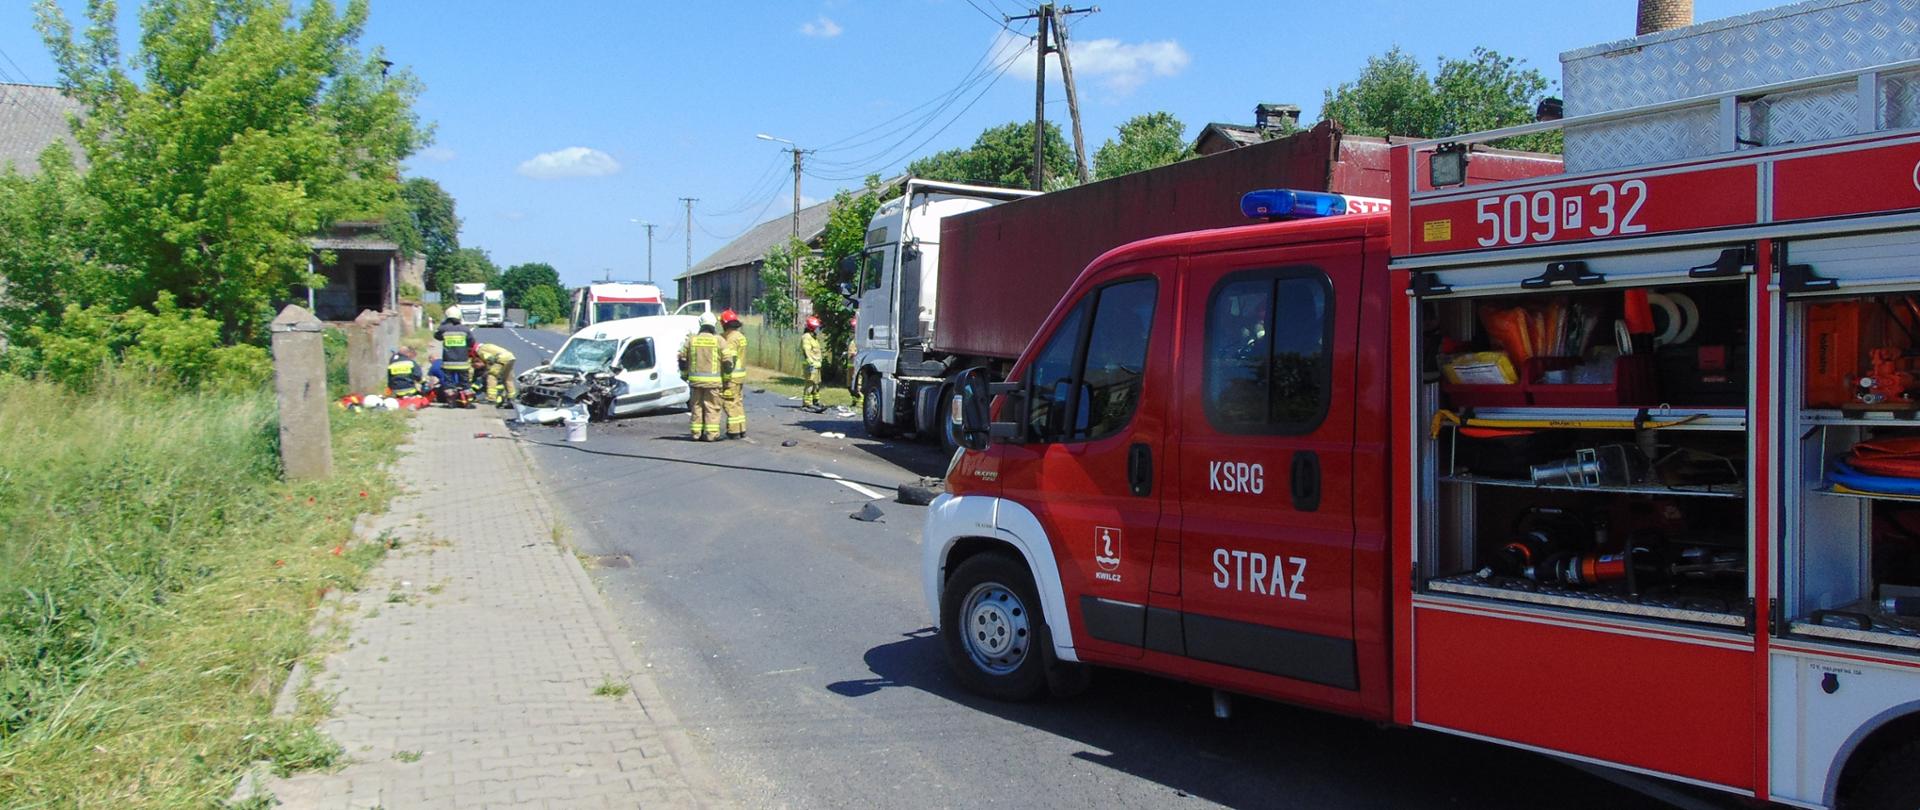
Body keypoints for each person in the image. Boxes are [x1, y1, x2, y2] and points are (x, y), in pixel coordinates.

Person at [677, 312, 735, 441]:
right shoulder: (719, 340)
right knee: (712, 408)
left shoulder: (691, 340)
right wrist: (727, 379)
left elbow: (682, 359)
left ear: (701, 324)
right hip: (714, 383)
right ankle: (711, 434)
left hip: (695, 382)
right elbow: (728, 362)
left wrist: (684, 375)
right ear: (713, 325)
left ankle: (696, 434)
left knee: (696, 407)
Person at [718, 309, 749, 439]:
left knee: (729, 403)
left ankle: (733, 431)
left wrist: (725, 377)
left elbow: (730, 359)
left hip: (732, 377)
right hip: (740, 376)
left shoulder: (730, 338)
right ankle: (741, 428)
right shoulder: (740, 336)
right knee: (738, 402)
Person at [434, 314, 475, 406]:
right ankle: (468, 403)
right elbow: (471, 342)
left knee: (449, 384)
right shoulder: (465, 329)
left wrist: (443, 325)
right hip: (462, 363)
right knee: (465, 383)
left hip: (448, 363)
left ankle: (451, 403)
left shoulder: (444, 329)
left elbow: (437, 336)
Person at [474, 341, 518, 407]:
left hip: (501, 359)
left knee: (492, 376)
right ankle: (511, 399)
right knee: (508, 379)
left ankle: (491, 398)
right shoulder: (487, 345)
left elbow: (490, 359)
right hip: (511, 357)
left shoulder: (480, 351)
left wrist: (489, 369)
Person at [800, 315, 825, 412]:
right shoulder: (806, 337)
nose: (818, 329)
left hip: (817, 364)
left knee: (817, 384)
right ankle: (807, 403)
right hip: (811, 365)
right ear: (812, 327)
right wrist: (810, 362)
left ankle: (816, 401)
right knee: (810, 383)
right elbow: (806, 350)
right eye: (816, 328)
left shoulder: (813, 337)